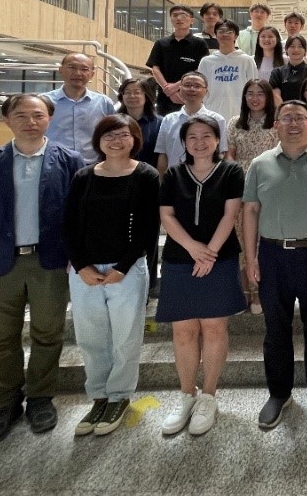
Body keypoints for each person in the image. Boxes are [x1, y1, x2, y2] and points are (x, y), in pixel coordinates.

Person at [0, 94, 84, 445]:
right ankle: (6, 404)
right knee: (0, 341)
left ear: (49, 119)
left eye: (38, 115)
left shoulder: (70, 161)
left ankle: (40, 398)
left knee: (48, 334)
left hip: (50, 263)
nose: (31, 122)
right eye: (22, 115)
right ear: (7, 120)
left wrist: (77, 255)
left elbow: (79, 214)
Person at [242, 100, 307, 429]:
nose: (293, 123)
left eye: (300, 117)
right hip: (272, 256)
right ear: (276, 124)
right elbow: (250, 211)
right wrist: (251, 256)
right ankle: (279, 393)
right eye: (286, 117)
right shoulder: (259, 164)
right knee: (275, 329)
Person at [62, 115, 159, 437]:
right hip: (85, 271)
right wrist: (81, 266)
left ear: (134, 138)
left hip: (126, 271)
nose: (116, 141)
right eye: (109, 135)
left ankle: (118, 396)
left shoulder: (146, 175)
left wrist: (123, 267)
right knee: (90, 337)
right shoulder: (83, 176)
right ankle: (99, 397)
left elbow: (148, 227)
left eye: (123, 135)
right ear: (99, 140)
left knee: (125, 337)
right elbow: (69, 225)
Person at [157, 116, 248, 437]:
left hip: (219, 258)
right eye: (192, 137)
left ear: (217, 140)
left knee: (213, 328)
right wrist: (193, 248)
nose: (199, 142)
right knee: (183, 331)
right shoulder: (173, 174)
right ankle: (186, 395)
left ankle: (208, 395)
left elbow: (231, 214)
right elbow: (166, 215)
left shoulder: (231, 171)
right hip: (180, 259)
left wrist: (209, 252)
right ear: (184, 142)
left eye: (206, 135)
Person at [226, 79, 280, 315]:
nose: (255, 98)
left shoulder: (276, 123)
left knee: (260, 240)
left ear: (268, 97)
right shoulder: (234, 123)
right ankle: (243, 291)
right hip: (239, 183)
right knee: (241, 238)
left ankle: (259, 291)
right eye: (250, 93)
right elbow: (230, 155)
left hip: (268, 183)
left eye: (260, 94)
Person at [116, 77, 164, 296]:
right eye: (128, 92)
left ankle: (150, 282)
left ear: (147, 96)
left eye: (137, 92)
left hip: (148, 186)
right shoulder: (113, 122)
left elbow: (161, 157)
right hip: (117, 184)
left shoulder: (159, 123)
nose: (132, 96)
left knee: (149, 235)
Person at [43, 53, 116, 163]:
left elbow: (112, 134)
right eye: (72, 67)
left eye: (84, 69)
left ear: (92, 74)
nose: (77, 73)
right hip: (54, 164)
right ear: (61, 70)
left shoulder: (104, 103)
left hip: (92, 166)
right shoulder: (44, 102)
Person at [154, 72, 228, 171]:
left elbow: (222, 153)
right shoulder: (168, 119)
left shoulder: (217, 120)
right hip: (174, 178)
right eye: (187, 85)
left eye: (197, 86)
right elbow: (163, 154)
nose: (192, 89)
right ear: (180, 89)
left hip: (207, 177)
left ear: (206, 91)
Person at [147, 4, 209, 115]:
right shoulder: (161, 43)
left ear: (192, 21)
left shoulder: (200, 44)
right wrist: (168, 90)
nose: (179, 18)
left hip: (191, 95)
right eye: (175, 15)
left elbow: (200, 70)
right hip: (165, 98)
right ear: (171, 19)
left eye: (183, 15)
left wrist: (177, 86)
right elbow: (155, 69)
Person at [198, 19, 258, 121]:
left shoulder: (246, 60)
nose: (224, 34)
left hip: (240, 112)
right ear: (216, 34)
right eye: (221, 31)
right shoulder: (206, 61)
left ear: (236, 36)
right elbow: (201, 88)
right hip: (212, 112)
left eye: (229, 32)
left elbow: (254, 87)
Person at [270, 35, 307, 104]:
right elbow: (275, 95)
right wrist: (285, 109)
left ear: (305, 50)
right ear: (286, 49)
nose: (296, 50)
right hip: (284, 109)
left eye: (300, 46)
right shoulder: (277, 72)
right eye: (292, 46)